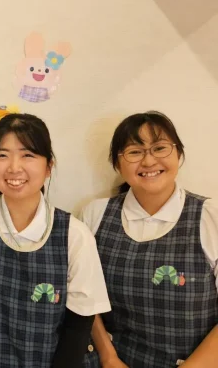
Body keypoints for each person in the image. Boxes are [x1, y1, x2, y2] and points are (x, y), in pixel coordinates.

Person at [0, 113, 110, 367]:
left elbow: (78, 326)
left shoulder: (75, 235)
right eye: (2, 155)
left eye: (27, 155)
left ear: (49, 166)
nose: (14, 167)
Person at [82, 111, 218, 367]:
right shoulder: (95, 215)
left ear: (178, 154)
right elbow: (84, 295)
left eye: (159, 148)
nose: (148, 160)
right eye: (134, 152)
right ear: (117, 164)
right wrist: (109, 357)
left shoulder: (210, 217)